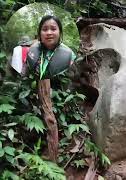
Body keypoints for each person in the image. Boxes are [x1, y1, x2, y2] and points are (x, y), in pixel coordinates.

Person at [26, 15, 76, 162]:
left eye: (53, 29)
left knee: (52, 122)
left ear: (60, 32)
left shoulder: (69, 55)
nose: (49, 32)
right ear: (39, 34)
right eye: (45, 29)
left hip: (59, 101)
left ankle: (54, 158)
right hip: (39, 99)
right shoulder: (33, 53)